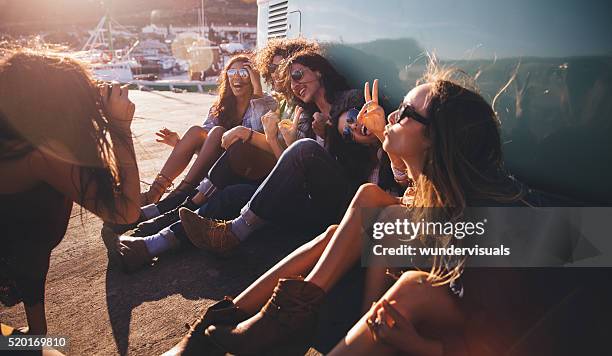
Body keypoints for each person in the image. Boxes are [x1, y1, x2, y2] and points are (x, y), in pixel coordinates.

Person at [166, 65, 529, 355]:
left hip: (425, 325)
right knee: (351, 220)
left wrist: (427, 348)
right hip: (379, 304)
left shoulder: (490, 225)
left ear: (436, 137)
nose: (389, 117)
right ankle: (218, 328)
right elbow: (405, 187)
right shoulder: (428, 196)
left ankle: (266, 323)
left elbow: (507, 326)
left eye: (405, 113)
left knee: (373, 209)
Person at [177, 49, 400, 258]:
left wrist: (328, 134)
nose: (294, 84)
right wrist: (307, 136)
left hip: (345, 204)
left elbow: (357, 149)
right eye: (289, 79)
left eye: (297, 74)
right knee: (235, 194)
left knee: (299, 150)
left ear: (318, 71)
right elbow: (315, 165)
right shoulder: (306, 115)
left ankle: (233, 231)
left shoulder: (350, 102)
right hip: (318, 197)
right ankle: (162, 237)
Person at [0, 51, 141, 335]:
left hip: (20, 267)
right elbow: (125, 211)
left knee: (40, 345)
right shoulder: (41, 156)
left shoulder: (16, 145)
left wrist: (36, 334)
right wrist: (121, 128)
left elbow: (26, 248)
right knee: (53, 350)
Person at [137, 53, 276, 209]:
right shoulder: (221, 105)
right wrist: (180, 143)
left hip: (247, 165)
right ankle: (154, 192)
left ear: (252, 77)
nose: (236, 77)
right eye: (231, 72)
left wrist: (257, 89)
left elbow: (259, 131)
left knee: (217, 131)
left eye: (243, 73)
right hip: (219, 162)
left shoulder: (266, 102)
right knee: (197, 131)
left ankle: (181, 193)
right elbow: (208, 142)